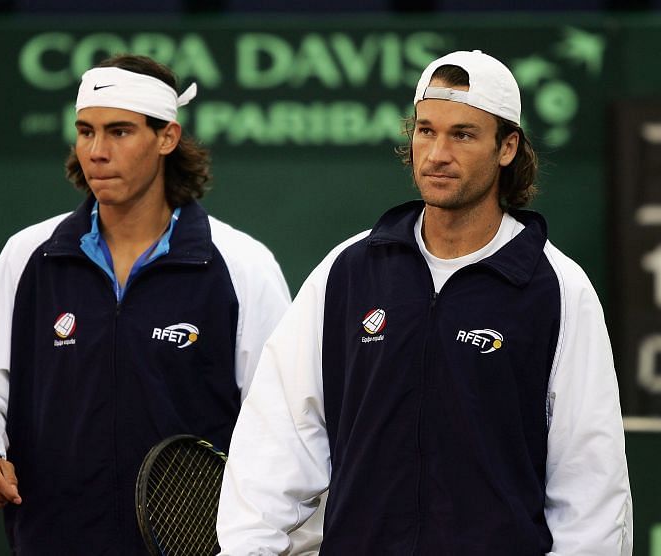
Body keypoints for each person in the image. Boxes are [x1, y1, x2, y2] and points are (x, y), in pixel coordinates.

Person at [217, 50, 633, 555]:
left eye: (462, 134)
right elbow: (277, 440)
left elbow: (591, 486)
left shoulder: (559, 290)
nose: (436, 153)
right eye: (425, 130)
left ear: (507, 148)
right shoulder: (346, 271)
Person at [0, 53, 291, 554]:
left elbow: (284, 426)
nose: (97, 151)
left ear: (167, 138)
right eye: (86, 131)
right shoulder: (29, 257)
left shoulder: (242, 266)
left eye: (119, 131)